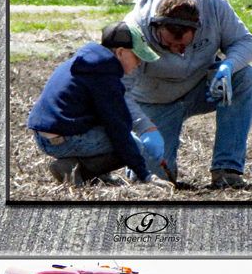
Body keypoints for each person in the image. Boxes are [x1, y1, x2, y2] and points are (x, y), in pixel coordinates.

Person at [123, 0, 252, 188]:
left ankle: (227, 170)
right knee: (153, 181)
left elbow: (245, 41)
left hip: (201, 88)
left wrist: (227, 67)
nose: (179, 51)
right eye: (169, 44)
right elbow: (121, 91)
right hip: (155, 102)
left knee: (245, 77)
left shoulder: (214, 6)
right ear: (155, 26)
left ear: (198, 25)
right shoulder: (134, 29)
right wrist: (144, 128)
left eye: (184, 44)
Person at [26, 22, 172, 188]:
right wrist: (145, 175)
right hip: (63, 140)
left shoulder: (84, 62)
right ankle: (73, 170)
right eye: (137, 56)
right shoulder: (104, 76)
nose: (139, 63)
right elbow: (118, 129)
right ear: (121, 52)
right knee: (134, 144)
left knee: (106, 129)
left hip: (43, 135)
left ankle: (98, 176)